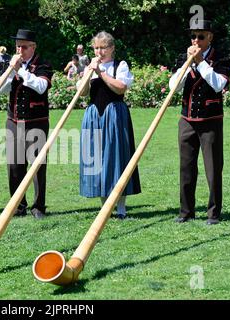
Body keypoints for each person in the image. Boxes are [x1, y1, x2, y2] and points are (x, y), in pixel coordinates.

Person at [169, 20, 230, 225]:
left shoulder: (221, 57)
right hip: (186, 119)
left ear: (210, 37)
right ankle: (186, 211)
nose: (196, 40)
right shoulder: (183, 57)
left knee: (213, 168)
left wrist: (201, 62)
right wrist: (188, 64)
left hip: (210, 121)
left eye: (201, 36)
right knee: (186, 167)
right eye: (193, 36)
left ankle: (214, 213)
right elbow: (174, 87)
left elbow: (218, 84)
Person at [78, 31, 141, 220]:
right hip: (94, 115)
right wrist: (89, 73)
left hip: (114, 115)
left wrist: (100, 72)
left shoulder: (119, 65)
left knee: (116, 159)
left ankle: (121, 209)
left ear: (111, 48)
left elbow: (120, 87)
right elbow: (82, 93)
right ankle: (104, 208)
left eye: (103, 47)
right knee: (96, 159)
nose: (99, 51)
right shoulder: (91, 67)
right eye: (96, 47)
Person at [0, 29, 53, 219]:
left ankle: (38, 206)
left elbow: (40, 87)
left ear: (33, 47)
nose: (19, 50)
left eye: (23, 47)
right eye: (17, 47)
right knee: (14, 165)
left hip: (36, 122)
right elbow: (0, 90)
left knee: (38, 166)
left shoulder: (43, 64)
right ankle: (18, 205)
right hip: (13, 121)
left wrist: (20, 70)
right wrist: (9, 72)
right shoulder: (11, 65)